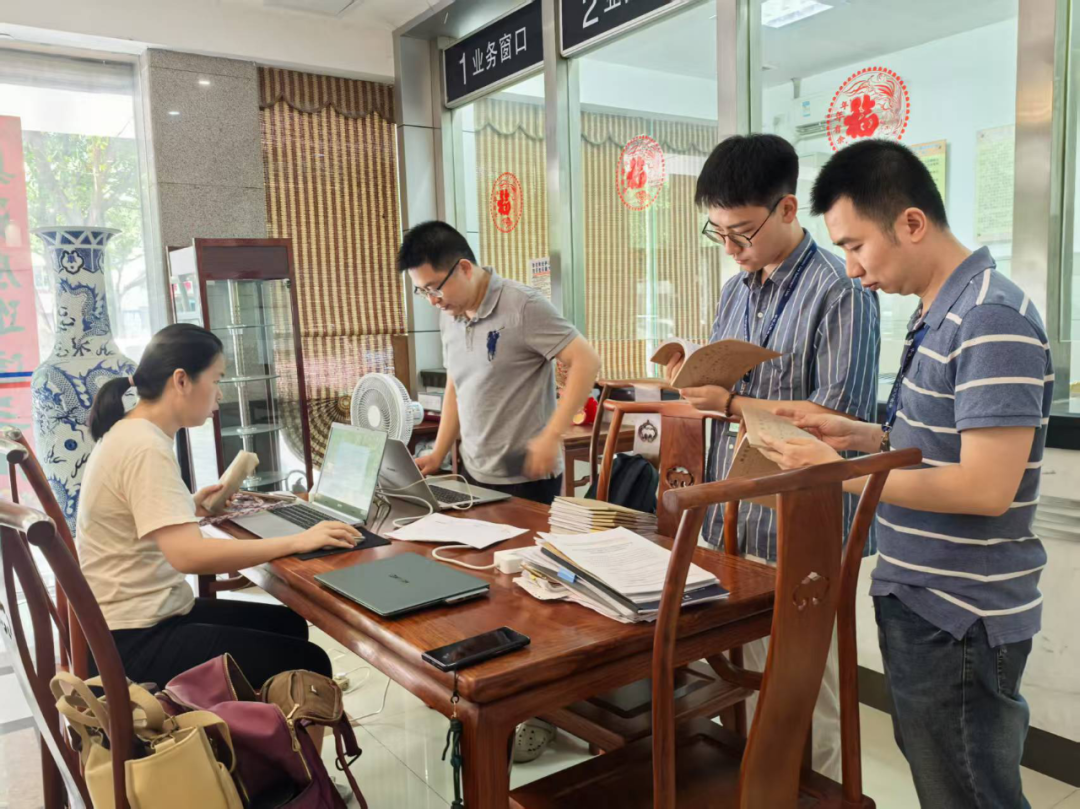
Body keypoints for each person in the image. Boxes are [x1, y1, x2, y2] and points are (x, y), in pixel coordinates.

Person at [757, 139, 1050, 809]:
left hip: (961, 615)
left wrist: (838, 473)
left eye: (857, 246)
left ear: (912, 223)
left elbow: (986, 487)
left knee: (969, 793)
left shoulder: (989, 316)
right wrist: (860, 436)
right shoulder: (938, 310)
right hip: (924, 598)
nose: (853, 270)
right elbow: (938, 442)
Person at [664, 134, 880, 780]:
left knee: (806, 697)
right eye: (719, 233)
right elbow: (724, 382)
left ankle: (817, 794)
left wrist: (731, 403)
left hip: (803, 528)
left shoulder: (840, 291)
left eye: (742, 233)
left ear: (788, 209)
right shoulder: (737, 289)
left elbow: (835, 429)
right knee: (740, 686)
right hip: (732, 520)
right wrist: (696, 380)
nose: (731, 249)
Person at [79, 323, 360, 690]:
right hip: (132, 642)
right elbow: (189, 556)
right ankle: (272, 727)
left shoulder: (131, 432)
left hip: (127, 624)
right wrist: (298, 540)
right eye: (216, 380)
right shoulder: (145, 447)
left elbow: (139, 519)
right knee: (310, 660)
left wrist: (187, 507)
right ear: (182, 381)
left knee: (287, 625)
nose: (220, 394)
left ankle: (269, 720)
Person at [399, 220, 601, 506]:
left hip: (527, 476)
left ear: (464, 268)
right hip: (473, 472)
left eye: (435, 289)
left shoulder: (523, 305)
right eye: (423, 292)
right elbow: (457, 385)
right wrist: (438, 453)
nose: (433, 301)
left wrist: (552, 435)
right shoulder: (450, 316)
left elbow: (586, 360)